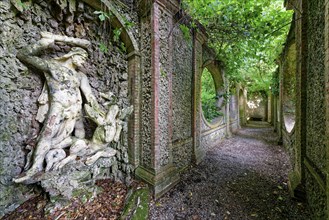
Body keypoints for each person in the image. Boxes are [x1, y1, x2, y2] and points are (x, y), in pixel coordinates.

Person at [13, 32, 100, 183]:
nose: (84, 62)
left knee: (79, 134)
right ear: (73, 55)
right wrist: (43, 43)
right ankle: (35, 167)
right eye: (82, 58)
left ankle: (73, 157)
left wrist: (98, 110)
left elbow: (89, 95)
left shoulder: (80, 76)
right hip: (59, 107)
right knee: (47, 134)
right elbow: (23, 55)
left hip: (75, 109)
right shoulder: (53, 67)